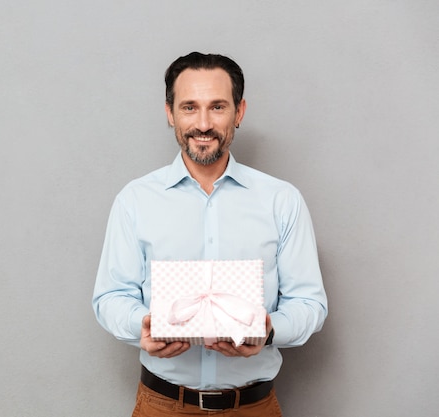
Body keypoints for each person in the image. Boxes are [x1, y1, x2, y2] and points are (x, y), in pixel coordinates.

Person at [92, 52, 327, 416]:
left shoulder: (281, 200)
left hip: (254, 407)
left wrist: (268, 331)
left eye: (217, 107)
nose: (203, 124)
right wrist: (142, 326)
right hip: (162, 406)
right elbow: (110, 296)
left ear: (239, 112)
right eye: (189, 107)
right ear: (170, 113)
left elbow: (310, 304)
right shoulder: (135, 200)